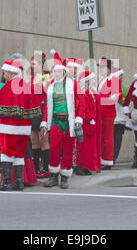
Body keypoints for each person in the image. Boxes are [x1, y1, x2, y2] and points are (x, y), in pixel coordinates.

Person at [0, 60, 42, 191]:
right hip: (24, 128)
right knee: (19, 155)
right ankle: (19, 183)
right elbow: (34, 107)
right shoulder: (26, 86)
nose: (4, 75)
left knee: (6, 153)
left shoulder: (8, 87)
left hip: (9, 127)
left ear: (11, 72)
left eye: (5, 73)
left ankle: (7, 182)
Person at [40, 50, 84, 189]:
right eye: (55, 71)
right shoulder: (51, 87)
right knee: (54, 148)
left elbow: (81, 102)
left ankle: (64, 177)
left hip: (69, 121)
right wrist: (45, 123)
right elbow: (47, 107)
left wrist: (78, 118)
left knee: (68, 149)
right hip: (56, 121)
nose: (57, 74)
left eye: (59, 71)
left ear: (64, 72)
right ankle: (53, 176)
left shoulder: (74, 85)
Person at [98, 57, 123, 170]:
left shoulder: (113, 80)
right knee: (103, 137)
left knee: (107, 138)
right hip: (101, 112)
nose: (100, 70)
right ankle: (103, 159)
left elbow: (117, 96)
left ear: (108, 68)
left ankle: (108, 160)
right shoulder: (102, 80)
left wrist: (100, 101)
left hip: (108, 113)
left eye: (102, 67)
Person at [30, 52, 52, 178]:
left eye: (35, 64)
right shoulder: (32, 78)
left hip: (42, 113)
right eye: (32, 64)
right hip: (32, 113)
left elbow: (45, 95)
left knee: (43, 141)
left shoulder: (46, 77)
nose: (32, 66)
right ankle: (35, 168)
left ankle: (45, 168)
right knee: (34, 142)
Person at [75, 71, 101, 175]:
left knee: (91, 147)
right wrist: (90, 118)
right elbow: (83, 108)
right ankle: (81, 166)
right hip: (87, 123)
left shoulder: (92, 91)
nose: (94, 80)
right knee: (84, 146)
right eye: (92, 79)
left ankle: (88, 166)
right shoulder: (84, 93)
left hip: (94, 123)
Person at [112, 68, 129, 164]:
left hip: (120, 118)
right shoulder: (110, 86)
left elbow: (127, 100)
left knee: (117, 139)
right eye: (120, 75)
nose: (122, 77)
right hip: (111, 117)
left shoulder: (124, 87)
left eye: (122, 75)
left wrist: (120, 98)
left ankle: (114, 158)